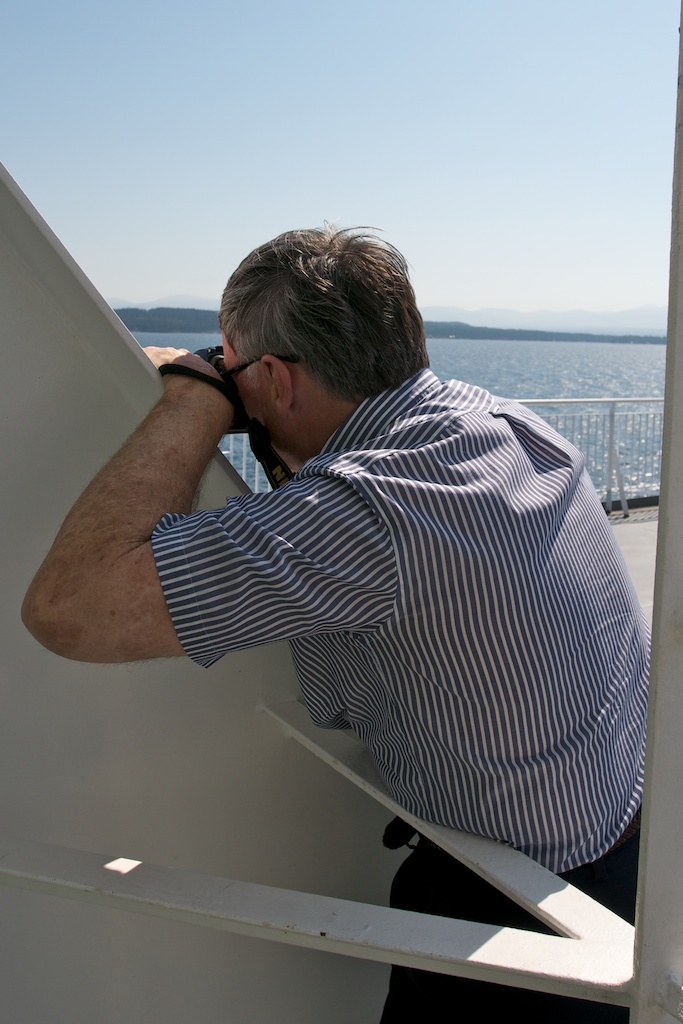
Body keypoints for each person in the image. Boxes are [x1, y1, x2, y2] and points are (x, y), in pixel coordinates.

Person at [21, 227, 649, 1021]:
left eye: (235, 365)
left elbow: (68, 609)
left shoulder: (364, 514)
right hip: (625, 849)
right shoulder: (504, 423)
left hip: (517, 912)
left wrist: (192, 397)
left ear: (275, 378)